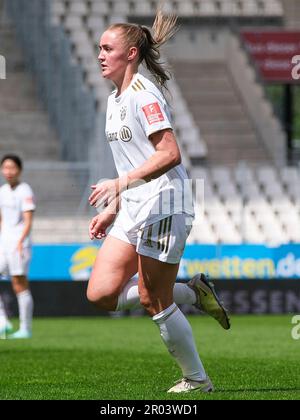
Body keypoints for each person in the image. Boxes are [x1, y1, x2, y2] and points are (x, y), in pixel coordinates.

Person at [87, 10, 230, 393]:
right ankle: (194, 292)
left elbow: (170, 153)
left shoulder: (143, 94)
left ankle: (197, 380)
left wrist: (120, 185)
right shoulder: (113, 100)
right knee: (100, 294)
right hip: (136, 203)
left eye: (107, 48)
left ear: (130, 53)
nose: (99, 54)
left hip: (167, 199)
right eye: (98, 48)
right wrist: (115, 205)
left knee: (152, 298)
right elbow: (129, 162)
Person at [0, 155, 35, 339]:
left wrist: (21, 241)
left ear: (19, 170)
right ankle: (3, 321)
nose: (8, 171)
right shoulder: (2, 191)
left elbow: (28, 220)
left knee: (18, 283)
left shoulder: (24, 190)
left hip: (19, 243)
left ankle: (25, 328)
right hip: (3, 242)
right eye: (5, 167)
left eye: (12, 167)